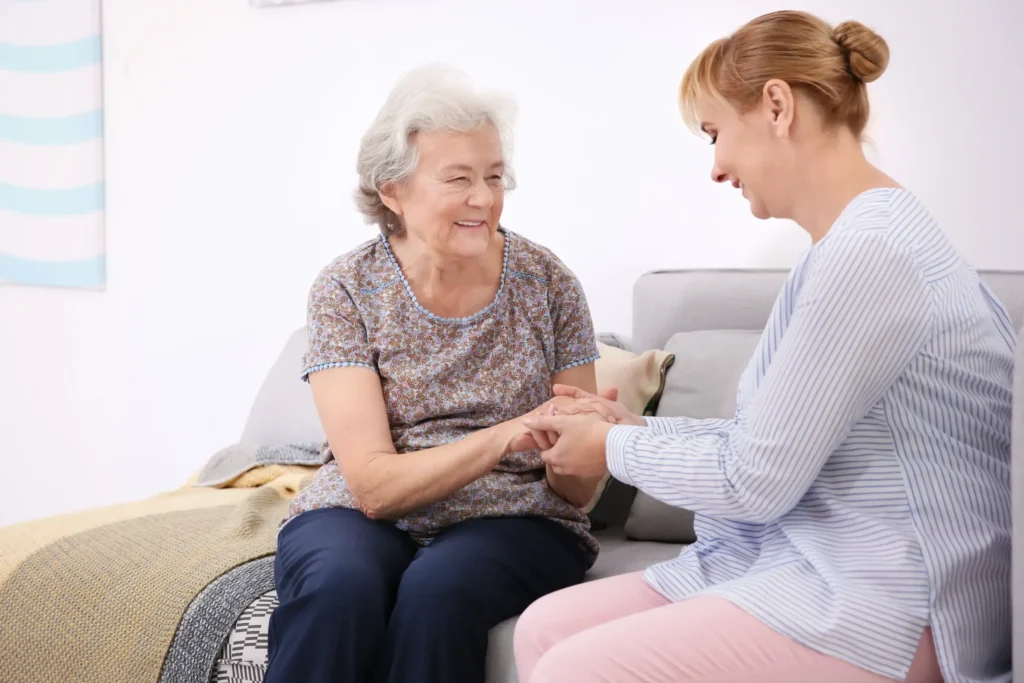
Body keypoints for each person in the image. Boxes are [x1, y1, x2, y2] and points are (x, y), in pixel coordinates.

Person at [512, 10, 1014, 683]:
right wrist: (629, 427)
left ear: (777, 106)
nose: (717, 167)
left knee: (573, 668)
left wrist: (611, 448)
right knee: (545, 627)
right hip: (828, 562)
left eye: (717, 133)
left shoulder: (870, 256)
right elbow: (772, 441)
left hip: (892, 600)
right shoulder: (854, 242)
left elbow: (754, 478)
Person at [262, 65, 608, 683]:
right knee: (338, 588)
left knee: (438, 594)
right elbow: (373, 487)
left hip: (515, 515)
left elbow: (577, 493)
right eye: (459, 179)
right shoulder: (347, 288)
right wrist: (508, 433)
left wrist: (590, 447)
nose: (484, 198)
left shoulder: (548, 281)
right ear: (392, 190)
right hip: (365, 512)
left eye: (494, 176)